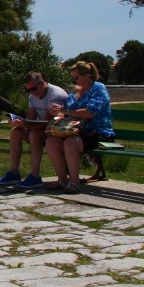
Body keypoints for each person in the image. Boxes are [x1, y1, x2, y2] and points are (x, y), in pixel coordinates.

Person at [45, 61, 115, 194]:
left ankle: (74, 182)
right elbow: (66, 112)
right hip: (76, 131)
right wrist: (57, 112)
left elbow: (90, 112)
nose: (74, 80)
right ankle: (62, 179)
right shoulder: (75, 92)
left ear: (87, 75)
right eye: (73, 78)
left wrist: (65, 111)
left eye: (76, 77)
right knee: (51, 141)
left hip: (98, 133)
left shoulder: (98, 88)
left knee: (71, 143)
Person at [0, 72, 68, 189]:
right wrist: (20, 123)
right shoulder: (33, 96)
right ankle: (14, 172)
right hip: (45, 128)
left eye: (34, 88)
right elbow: (31, 118)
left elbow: (47, 122)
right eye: (28, 90)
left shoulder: (56, 95)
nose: (32, 92)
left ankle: (35, 175)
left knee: (34, 135)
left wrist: (26, 124)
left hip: (58, 131)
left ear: (42, 83)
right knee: (15, 132)